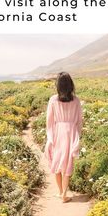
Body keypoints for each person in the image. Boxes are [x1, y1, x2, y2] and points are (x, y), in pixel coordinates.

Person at [44, 72, 83, 203]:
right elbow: (79, 121)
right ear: (71, 85)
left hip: (58, 132)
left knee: (57, 162)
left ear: (58, 85)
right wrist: (77, 136)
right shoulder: (76, 100)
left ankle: (61, 192)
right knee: (67, 163)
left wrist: (50, 137)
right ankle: (64, 194)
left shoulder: (53, 99)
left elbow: (49, 121)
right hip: (71, 132)